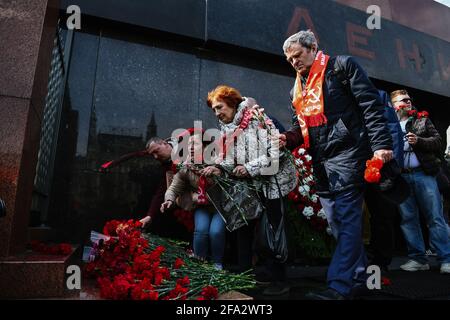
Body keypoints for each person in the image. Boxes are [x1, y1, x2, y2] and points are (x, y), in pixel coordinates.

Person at [279, 30, 394, 299]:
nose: (293, 62)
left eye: (297, 55)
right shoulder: (296, 89)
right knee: (337, 223)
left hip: (350, 155)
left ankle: (338, 286)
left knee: (347, 219)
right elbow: (300, 126)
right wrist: (287, 138)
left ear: (312, 48)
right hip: (321, 162)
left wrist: (381, 146)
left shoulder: (343, 66)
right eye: (289, 59)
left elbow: (371, 107)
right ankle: (362, 278)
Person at [204, 85, 297, 296]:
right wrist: (219, 167)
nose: (217, 113)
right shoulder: (226, 128)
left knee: (273, 231)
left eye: (220, 107)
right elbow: (230, 158)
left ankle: (279, 280)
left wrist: (248, 168)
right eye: (214, 110)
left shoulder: (257, 119)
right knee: (242, 229)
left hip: (273, 182)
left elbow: (276, 155)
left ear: (232, 103)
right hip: (249, 184)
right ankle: (245, 276)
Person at [390, 89, 450, 274]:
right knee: (408, 219)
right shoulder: (388, 123)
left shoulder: (421, 119)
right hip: (401, 176)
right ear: (393, 105)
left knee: (435, 217)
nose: (407, 103)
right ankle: (418, 259)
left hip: (423, 174)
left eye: (408, 100)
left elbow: (438, 141)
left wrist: (419, 141)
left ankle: (446, 259)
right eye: (402, 101)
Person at [161, 133, 225, 270]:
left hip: (220, 207)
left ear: (205, 146)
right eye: (188, 144)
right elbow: (174, 188)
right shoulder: (186, 167)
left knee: (216, 232)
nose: (190, 147)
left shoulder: (219, 162)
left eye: (194, 144)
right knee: (201, 231)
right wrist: (169, 200)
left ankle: (217, 264)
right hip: (202, 207)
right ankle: (199, 264)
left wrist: (218, 171)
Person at [365, 90, 404, 271]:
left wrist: (392, 168)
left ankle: (380, 262)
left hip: (381, 168)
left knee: (383, 216)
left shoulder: (378, 96)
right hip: (356, 166)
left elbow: (393, 133)